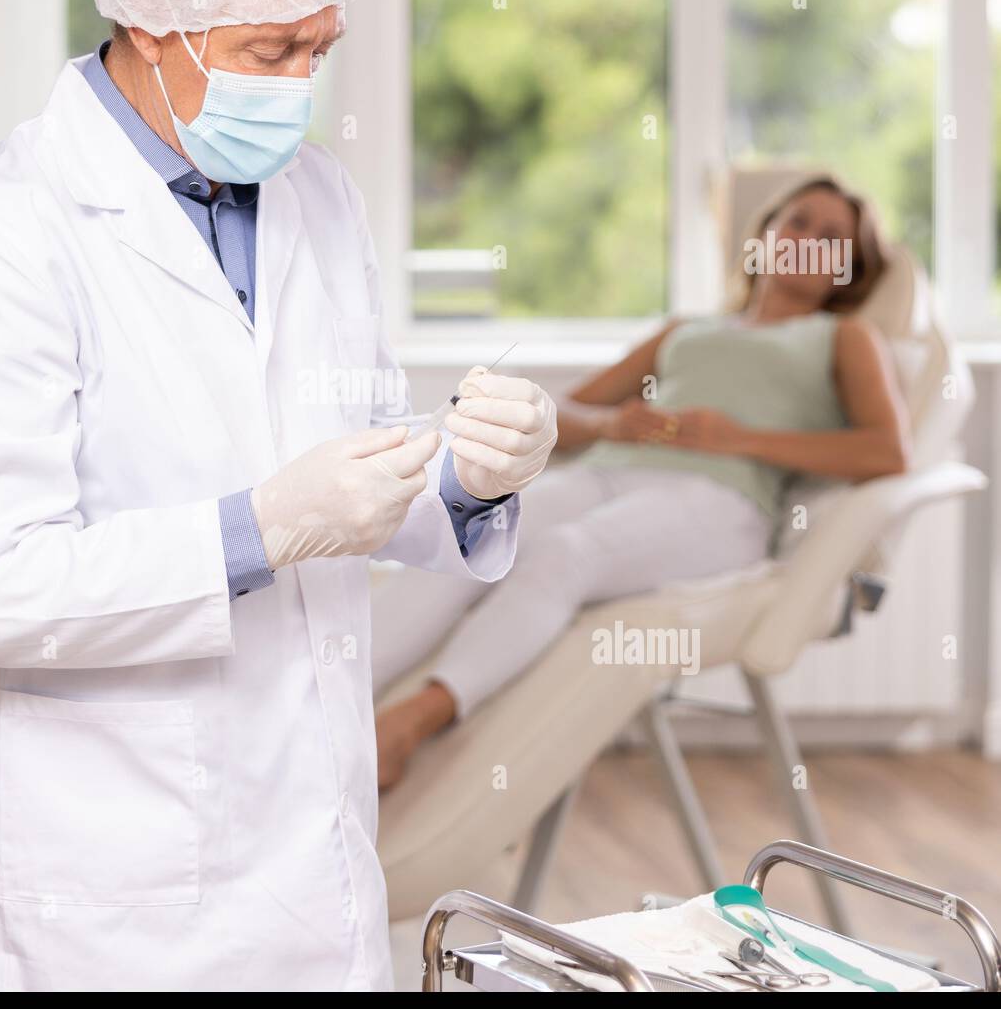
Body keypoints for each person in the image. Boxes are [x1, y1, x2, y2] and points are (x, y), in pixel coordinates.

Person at [0, 0, 557, 992]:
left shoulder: (318, 197)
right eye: (268, 51)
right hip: (111, 874)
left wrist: (468, 477)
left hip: (310, 846)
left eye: (319, 49)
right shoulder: (0, 234)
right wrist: (259, 528)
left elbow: (354, 459)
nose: (298, 84)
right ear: (153, 26)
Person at [372, 175, 909, 789]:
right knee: (467, 526)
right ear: (765, 235)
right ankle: (338, 695)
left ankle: (412, 722)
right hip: (616, 473)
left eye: (832, 236)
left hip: (724, 502)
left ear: (849, 269)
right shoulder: (688, 331)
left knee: (564, 554)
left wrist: (739, 438)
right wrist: (612, 423)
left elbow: (888, 450)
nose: (808, 239)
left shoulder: (842, 337)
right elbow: (554, 415)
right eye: (799, 221)